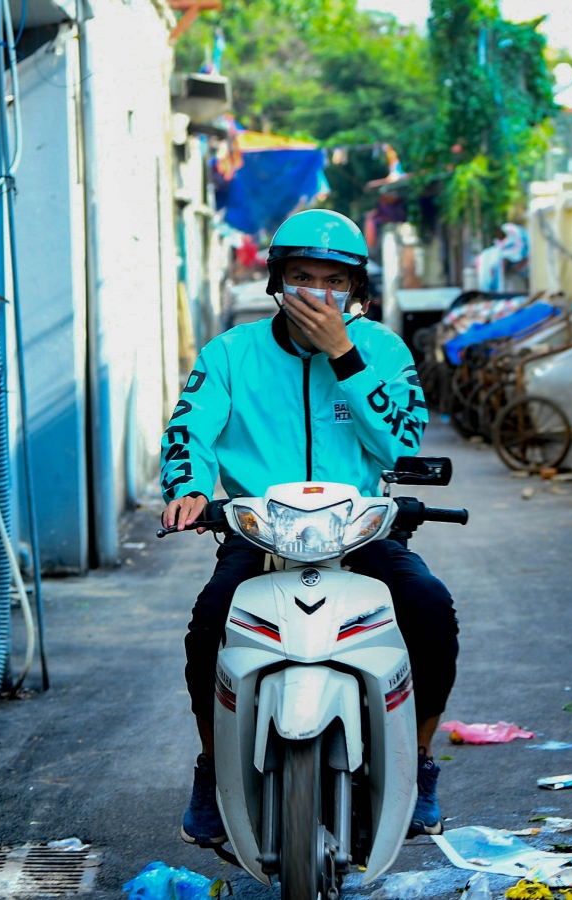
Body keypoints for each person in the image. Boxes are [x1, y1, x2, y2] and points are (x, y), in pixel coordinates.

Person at [159, 209, 458, 845]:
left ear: (357, 291)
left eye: (335, 281)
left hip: (360, 528)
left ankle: (421, 762)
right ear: (276, 282)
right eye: (301, 277)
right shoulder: (231, 353)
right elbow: (190, 429)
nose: (318, 295)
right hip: (261, 531)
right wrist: (187, 490)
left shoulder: (383, 350)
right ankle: (213, 771)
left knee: (429, 608)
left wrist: (343, 356)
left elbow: (399, 445)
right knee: (210, 623)